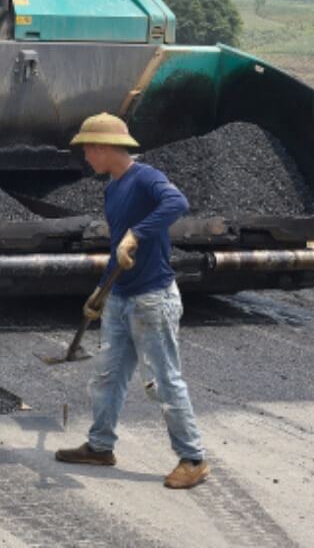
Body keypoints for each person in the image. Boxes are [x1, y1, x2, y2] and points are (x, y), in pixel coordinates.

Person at [54, 113, 209, 490]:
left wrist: (136, 235)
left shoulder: (146, 177)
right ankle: (100, 446)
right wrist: (101, 291)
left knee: (162, 382)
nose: (86, 157)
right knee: (107, 377)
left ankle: (193, 459)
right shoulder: (112, 187)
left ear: (105, 147)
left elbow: (177, 202)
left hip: (152, 299)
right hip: (121, 298)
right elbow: (115, 249)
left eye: (89, 149)